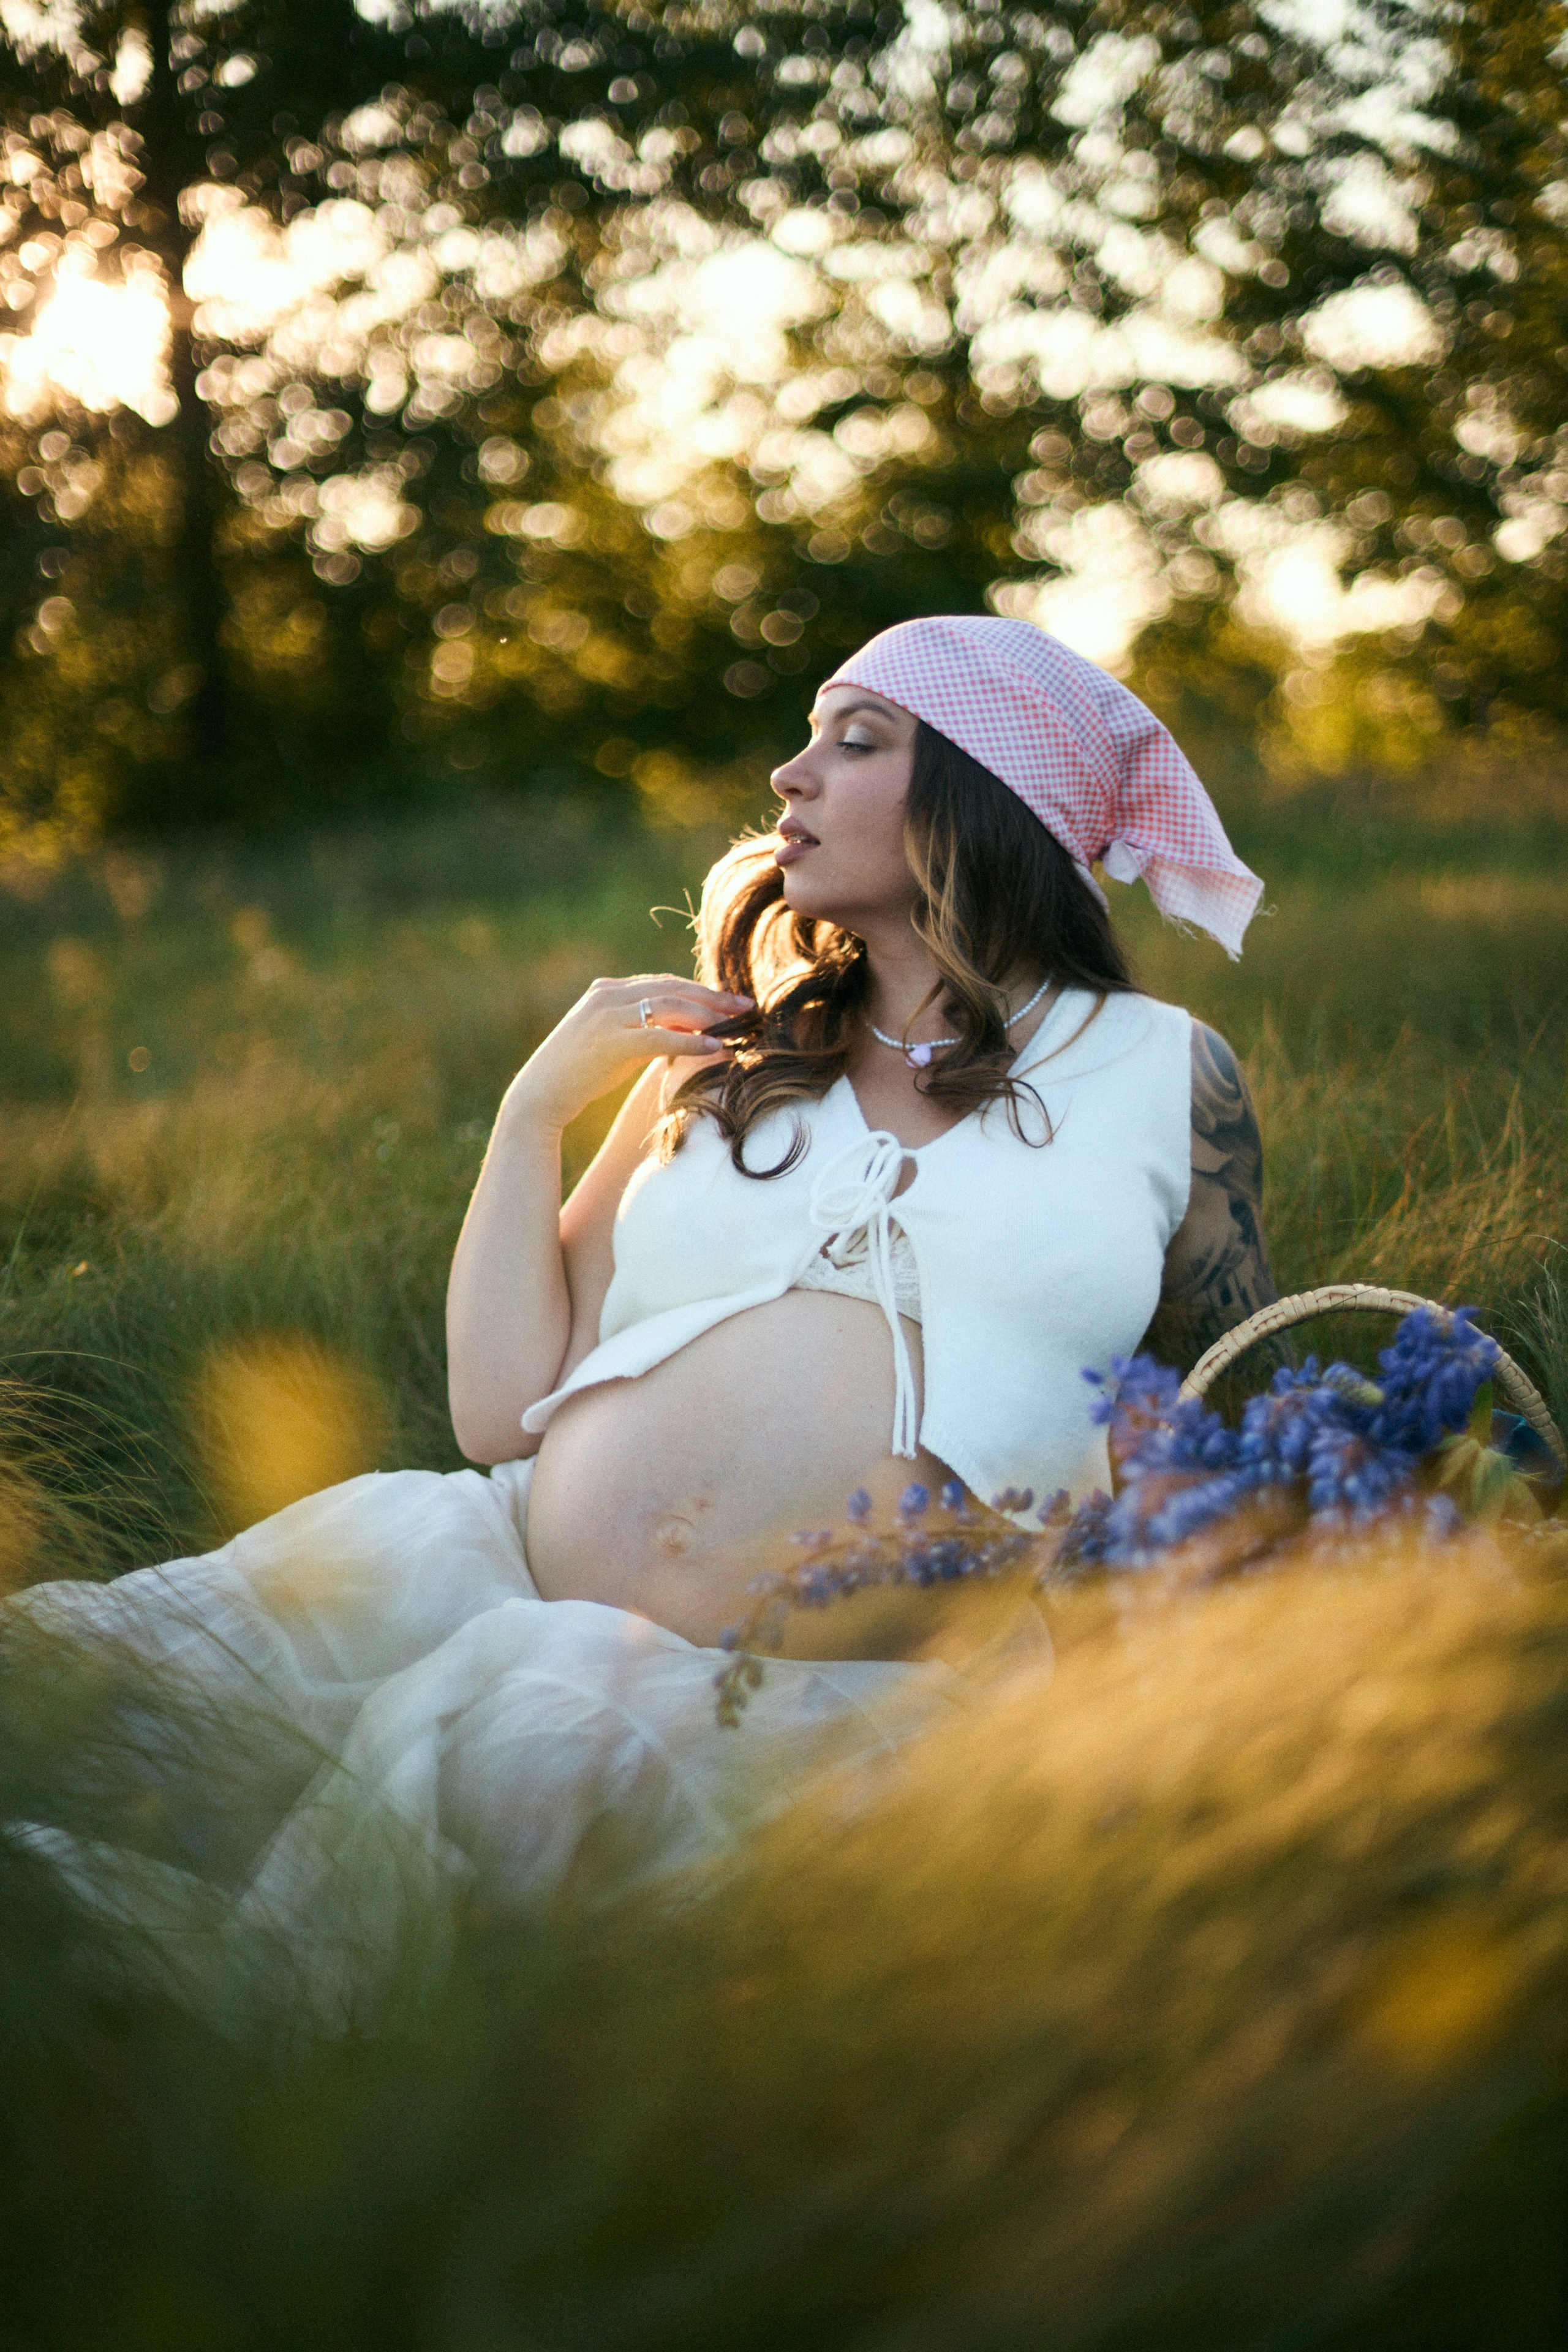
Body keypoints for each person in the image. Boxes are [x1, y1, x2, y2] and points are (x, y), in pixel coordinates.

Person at [2, 618, 1275, 2026]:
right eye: (804, 737)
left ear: (990, 799)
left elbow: (1224, 1403)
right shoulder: (732, 1058)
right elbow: (501, 1409)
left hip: (836, 1693)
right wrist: (533, 1109)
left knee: (506, 1740)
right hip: (492, 1557)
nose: (788, 776)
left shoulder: (1164, 1075)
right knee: (61, 1686)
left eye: (854, 742)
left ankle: (200, 2051)